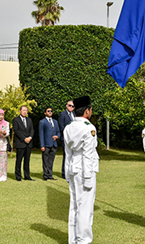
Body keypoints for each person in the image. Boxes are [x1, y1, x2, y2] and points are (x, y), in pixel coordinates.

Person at [64, 96, 99, 244]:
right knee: (85, 207)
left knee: (75, 205)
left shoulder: (68, 127)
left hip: (73, 167)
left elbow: (67, 153)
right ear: (86, 111)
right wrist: (88, 177)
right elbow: (88, 155)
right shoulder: (89, 128)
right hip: (85, 169)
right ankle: (83, 240)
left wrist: (67, 173)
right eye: (90, 109)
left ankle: (73, 239)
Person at [12, 105, 34, 181]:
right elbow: (16, 130)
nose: (25, 112)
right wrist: (24, 138)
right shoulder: (16, 120)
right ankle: (18, 176)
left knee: (27, 160)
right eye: (23, 110)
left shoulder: (29, 120)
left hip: (29, 143)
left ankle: (27, 176)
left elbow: (32, 130)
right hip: (21, 143)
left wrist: (30, 137)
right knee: (19, 160)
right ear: (20, 111)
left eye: (26, 110)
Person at [39, 107, 60, 180]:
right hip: (46, 144)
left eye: (51, 111)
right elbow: (41, 134)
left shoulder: (55, 121)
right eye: (48, 111)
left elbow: (58, 131)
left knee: (51, 160)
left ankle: (50, 175)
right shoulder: (42, 122)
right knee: (45, 160)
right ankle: (45, 175)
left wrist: (57, 136)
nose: (50, 112)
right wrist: (42, 145)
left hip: (54, 144)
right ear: (45, 113)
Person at [59, 100, 75, 179]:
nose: (71, 107)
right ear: (66, 105)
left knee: (73, 156)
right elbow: (62, 127)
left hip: (74, 139)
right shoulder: (62, 114)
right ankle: (64, 173)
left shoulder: (74, 115)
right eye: (70, 105)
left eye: (73, 106)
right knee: (67, 156)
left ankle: (71, 172)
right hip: (66, 138)